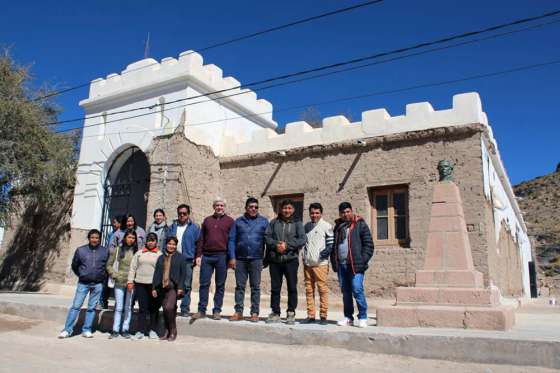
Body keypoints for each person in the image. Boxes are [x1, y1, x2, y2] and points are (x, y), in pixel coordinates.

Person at [329, 202, 374, 328]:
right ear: (340, 213)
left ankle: (363, 317)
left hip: (355, 265)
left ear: (352, 211)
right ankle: (348, 317)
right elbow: (334, 246)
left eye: (348, 211)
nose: (345, 214)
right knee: (346, 292)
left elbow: (369, 245)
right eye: (343, 212)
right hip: (342, 265)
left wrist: (362, 260)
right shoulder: (338, 227)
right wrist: (334, 262)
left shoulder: (360, 224)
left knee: (357, 289)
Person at [58, 229, 109, 338]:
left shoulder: (105, 251)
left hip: (98, 284)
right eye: (92, 237)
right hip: (83, 283)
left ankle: (87, 329)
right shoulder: (81, 250)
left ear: (99, 239)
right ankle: (67, 330)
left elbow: (107, 267)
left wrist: (102, 277)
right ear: (89, 238)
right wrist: (82, 274)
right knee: (76, 306)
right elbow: (74, 265)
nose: (94, 240)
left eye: (97, 238)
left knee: (91, 308)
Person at [264, 199, 306, 325]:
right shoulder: (273, 223)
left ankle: (291, 312)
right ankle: (275, 312)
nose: (287, 210)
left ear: (293, 209)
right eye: (284, 208)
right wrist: (277, 245)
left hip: (291, 260)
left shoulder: (298, 223)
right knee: (275, 288)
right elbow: (267, 237)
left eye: (289, 208)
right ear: (280, 209)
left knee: (292, 287)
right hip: (275, 260)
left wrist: (287, 246)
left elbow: (302, 239)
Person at [192, 198, 235, 321]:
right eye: (217, 205)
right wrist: (198, 256)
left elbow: (232, 240)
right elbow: (201, 239)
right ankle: (201, 310)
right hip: (207, 256)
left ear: (224, 207)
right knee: (204, 284)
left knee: (220, 285)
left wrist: (232, 258)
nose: (219, 207)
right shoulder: (207, 220)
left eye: (221, 205)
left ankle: (217, 310)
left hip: (222, 256)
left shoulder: (230, 221)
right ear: (213, 207)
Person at [228, 197, 269, 322]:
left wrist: (265, 259)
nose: (254, 209)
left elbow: (268, 241)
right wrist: (232, 257)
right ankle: (238, 312)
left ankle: (254, 312)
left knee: (255, 287)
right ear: (246, 208)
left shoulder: (263, 222)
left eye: (256, 207)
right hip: (240, 259)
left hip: (256, 259)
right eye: (251, 207)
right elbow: (232, 240)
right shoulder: (238, 222)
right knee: (240, 286)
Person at [302, 203, 333, 325]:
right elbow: (304, 243)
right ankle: (311, 315)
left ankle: (323, 315)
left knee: (322, 289)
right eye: (312, 213)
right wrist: (305, 257)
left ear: (321, 213)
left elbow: (330, 244)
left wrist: (320, 256)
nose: (314, 215)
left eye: (317, 213)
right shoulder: (307, 227)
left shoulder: (327, 226)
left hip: (321, 264)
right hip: (307, 264)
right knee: (309, 290)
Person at [167, 204, 200, 317]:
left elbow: (198, 244)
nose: (182, 215)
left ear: (188, 214)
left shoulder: (194, 228)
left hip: (187, 259)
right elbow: (166, 242)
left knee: (186, 285)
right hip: (173, 258)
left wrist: (197, 257)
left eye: (184, 213)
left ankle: (185, 309)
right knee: (172, 284)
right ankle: (172, 307)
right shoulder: (172, 227)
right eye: (180, 213)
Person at [127, 232, 162, 339]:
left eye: (153, 240)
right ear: (146, 241)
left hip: (153, 285)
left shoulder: (160, 255)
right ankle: (140, 331)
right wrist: (130, 281)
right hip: (140, 283)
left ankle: (152, 330)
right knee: (142, 308)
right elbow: (133, 268)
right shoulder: (139, 253)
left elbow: (161, 271)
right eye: (149, 240)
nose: (150, 243)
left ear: (156, 242)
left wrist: (158, 286)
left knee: (154, 308)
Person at [152, 236, 186, 341]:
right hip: (162, 288)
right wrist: (154, 287)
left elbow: (183, 274)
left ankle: (173, 330)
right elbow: (157, 273)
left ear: (176, 246)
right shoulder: (161, 257)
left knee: (168, 308)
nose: (171, 246)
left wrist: (180, 287)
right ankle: (167, 331)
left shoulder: (180, 257)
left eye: (173, 244)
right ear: (166, 244)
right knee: (166, 310)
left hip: (173, 287)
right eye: (169, 244)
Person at [106, 229, 137, 339]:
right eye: (129, 237)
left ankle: (125, 329)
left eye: (133, 238)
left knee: (128, 307)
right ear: (125, 238)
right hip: (119, 282)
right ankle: (115, 330)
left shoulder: (137, 252)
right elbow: (109, 265)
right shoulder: (118, 250)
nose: (131, 239)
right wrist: (115, 275)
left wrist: (134, 280)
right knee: (119, 307)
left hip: (131, 283)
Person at [99, 215, 123, 310]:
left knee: (118, 284)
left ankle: (118, 304)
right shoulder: (111, 233)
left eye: (115, 222)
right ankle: (103, 302)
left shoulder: (123, 234)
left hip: (118, 261)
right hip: (109, 261)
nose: (113, 224)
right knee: (106, 283)